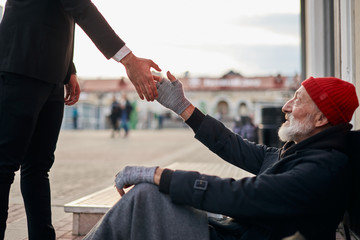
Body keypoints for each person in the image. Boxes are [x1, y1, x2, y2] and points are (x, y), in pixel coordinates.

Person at [84, 73, 359, 240]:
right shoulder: (302, 153)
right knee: (147, 200)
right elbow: (232, 145)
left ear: (322, 117)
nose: (286, 106)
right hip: (236, 233)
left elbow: (244, 195)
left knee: (147, 195)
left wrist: (159, 175)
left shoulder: (323, 168)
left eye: (297, 100)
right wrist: (182, 107)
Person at [0, 0, 161, 239]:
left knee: (38, 167)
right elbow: (79, 6)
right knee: (4, 166)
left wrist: (69, 70)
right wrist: (128, 60)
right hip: (20, 66)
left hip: (52, 74)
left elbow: (61, 12)